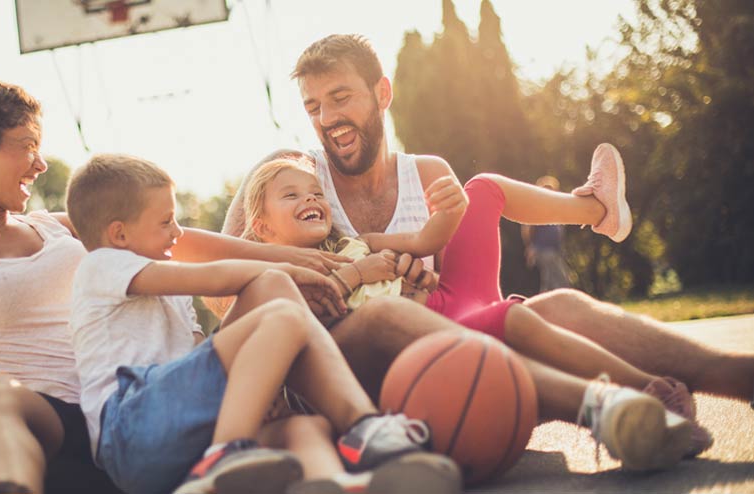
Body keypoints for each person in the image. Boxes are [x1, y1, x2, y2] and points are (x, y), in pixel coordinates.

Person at [222, 33, 754, 456]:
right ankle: (615, 406)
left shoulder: (426, 173)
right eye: (313, 106)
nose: (326, 118)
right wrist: (319, 273)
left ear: (382, 94)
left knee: (557, 304)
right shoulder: (289, 178)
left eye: (340, 98)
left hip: (448, 332)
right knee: (395, 322)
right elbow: (225, 293)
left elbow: (453, 288)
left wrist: (412, 271)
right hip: (369, 367)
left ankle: (729, 375)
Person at [0, 77, 359, 494]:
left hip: (152, 397)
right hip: (59, 429)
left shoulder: (58, 225)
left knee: (272, 292)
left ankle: (360, 433)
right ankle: (7, 488)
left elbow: (181, 242)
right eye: (27, 146)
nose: (41, 163)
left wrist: (293, 257)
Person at [237, 157, 708, 467]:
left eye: (315, 191)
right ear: (260, 225)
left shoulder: (358, 243)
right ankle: (647, 392)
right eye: (292, 196)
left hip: (449, 302)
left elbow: (424, 244)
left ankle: (596, 208)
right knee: (517, 318)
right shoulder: (274, 276)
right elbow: (307, 333)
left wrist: (422, 254)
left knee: (482, 188)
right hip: (435, 340)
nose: (312, 200)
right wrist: (354, 276)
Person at [63, 154, 461, 494]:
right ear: (119, 234)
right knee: (283, 312)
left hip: (181, 426)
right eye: (166, 222)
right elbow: (215, 277)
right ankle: (234, 452)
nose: (178, 232)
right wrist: (290, 264)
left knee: (304, 427)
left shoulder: (166, 287)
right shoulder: (102, 264)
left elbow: (199, 352)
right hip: (133, 425)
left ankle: (336, 478)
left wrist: (258, 381)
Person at [521, 176, 572, 292]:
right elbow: (527, 228)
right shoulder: (538, 207)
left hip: (554, 250)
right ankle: (559, 305)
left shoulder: (555, 208)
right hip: (543, 250)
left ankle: (543, 307)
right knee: (560, 282)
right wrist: (531, 246)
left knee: (549, 282)